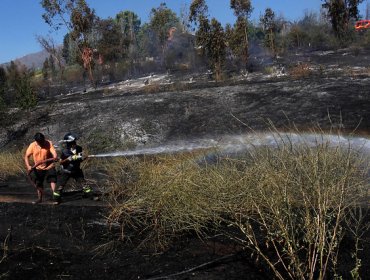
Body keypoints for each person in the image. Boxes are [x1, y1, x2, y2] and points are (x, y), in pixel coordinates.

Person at [24, 132, 59, 204]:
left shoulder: (48, 143)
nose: (42, 143)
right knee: (38, 182)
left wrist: (55, 157)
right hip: (38, 167)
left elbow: (54, 153)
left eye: (42, 141)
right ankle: (39, 199)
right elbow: (26, 156)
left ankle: (55, 198)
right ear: (36, 141)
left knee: (52, 179)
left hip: (49, 165)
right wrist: (28, 166)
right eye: (40, 142)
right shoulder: (32, 145)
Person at [57, 132, 92, 203]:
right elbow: (60, 162)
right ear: (68, 143)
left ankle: (91, 196)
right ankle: (56, 200)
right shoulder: (64, 151)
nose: (74, 143)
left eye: (75, 142)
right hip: (66, 171)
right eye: (73, 142)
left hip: (76, 170)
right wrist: (68, 159)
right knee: (60, 187)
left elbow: (80, 159)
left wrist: (85, 157)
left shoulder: (79, 148)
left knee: (84, 185)